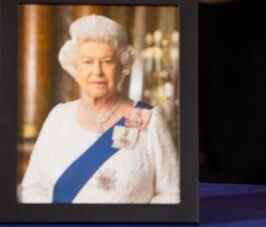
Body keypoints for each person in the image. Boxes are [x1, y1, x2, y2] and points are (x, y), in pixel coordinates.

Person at [18, 14, 180, 204]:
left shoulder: (149, 120)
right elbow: (33, 187)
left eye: (107, 61)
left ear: (122, 67)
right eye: (88, 62)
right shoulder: (58, 117)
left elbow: (171, 194)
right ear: (75, 69)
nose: (97, 71)